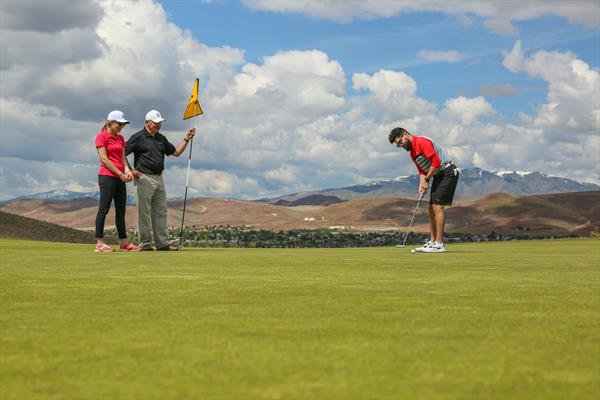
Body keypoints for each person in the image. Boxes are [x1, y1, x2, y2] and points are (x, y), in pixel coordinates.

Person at [125, 110, 196, 251]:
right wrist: (130, 170)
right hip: (144, 178)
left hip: (159, 177)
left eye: (160, 123)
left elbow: (175, 152)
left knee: (161, 211)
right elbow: (122, 153)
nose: (158, 125)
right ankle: (145, 243)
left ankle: (162, 243)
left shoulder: (161, 138)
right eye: (156, 123)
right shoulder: (138, 137)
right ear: (147, 123)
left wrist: (187, 138)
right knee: (144, 212)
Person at [388, 127, 459, 253]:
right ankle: (432, 242)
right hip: (438, 175)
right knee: (431, 208)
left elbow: (436, 162)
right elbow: (422, 170)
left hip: (448, 172)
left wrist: (427, 179)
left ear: (405, 135)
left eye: (400, 143)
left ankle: (439, 243)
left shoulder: (422, 142)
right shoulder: (412, 153)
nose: (401, 146)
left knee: (438, 207)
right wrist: (422, 183)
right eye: (398, 146)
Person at [94, 110, 140, 252]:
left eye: (122, 124)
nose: (121, 126)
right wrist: (120, 174)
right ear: (110, 122)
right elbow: (104, 159)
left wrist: (127, 171)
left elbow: (122, 157)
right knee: (104, 209)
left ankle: (124, 243)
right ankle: (100, 243)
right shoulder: (101, 137)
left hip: (120, 177)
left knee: (121, 211)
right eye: (118, 124)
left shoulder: (120, 138)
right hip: (107, 177)